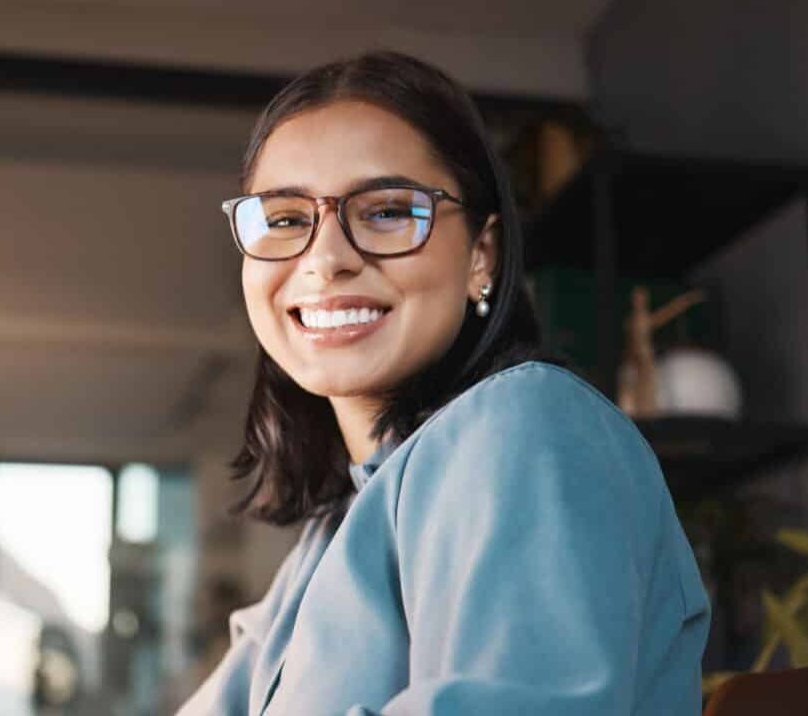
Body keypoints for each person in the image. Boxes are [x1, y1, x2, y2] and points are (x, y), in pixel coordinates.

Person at [178, 50, 710, 716]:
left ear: (481, 255)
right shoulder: (331, 531)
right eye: (284, 219)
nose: (327, 258)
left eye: (387, 211)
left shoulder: (525, 425)